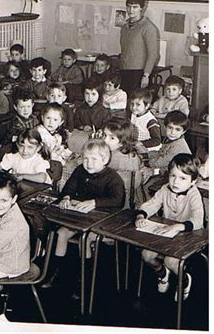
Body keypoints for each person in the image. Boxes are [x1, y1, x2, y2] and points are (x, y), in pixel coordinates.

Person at [42, 139, 124, 289]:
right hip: (80, 217)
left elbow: (117, 200)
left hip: (102, 221)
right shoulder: (80, 170)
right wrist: (66, 197)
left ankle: (84, 279)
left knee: (84, 240)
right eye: (85, 158)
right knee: (61, 233)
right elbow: (69, 187)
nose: (88, 163)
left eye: (94, 159)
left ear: (105, 160)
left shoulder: (113, 178)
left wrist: (94, 202)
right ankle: (55, 272)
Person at [135, 154, 204, 302]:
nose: (175, 182)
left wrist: (178, 227)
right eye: (173, 176)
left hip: (188, 236)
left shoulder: (194, 194)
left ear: (193, 181)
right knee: (146, 256)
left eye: (182, 178)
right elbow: (152, 204)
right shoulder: (165, 189)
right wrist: (142, 214)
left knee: (170, 261)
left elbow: (198, 220)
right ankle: (162, 274)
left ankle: (184, 280)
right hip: (165, 234)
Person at [141, 111, 192, 202]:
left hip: (179, 176)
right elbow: (160, 153)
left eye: (177, 129)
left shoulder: (178, 145)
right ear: (165, 127)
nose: (172, 132)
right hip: (170, 171)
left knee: (147, 187)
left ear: (183, 131)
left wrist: (145, 162)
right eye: (170, 128)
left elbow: (160, 162)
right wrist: (146, 155)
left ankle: (153, 210)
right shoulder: (169, 140)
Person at [120, 0, 160, 93]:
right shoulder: (124, 27)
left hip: (140, 73)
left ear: (141, 8)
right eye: (128, 6)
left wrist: (146, 75)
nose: (131, 10)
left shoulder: (148, 28)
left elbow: (153, 54)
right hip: (124, 71)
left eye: (135, 7)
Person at [129, 88, 162, 152]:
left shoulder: (150, 121)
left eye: (138, 104)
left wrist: (141, 143)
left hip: (149, 149)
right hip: (136, 144)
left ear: (147, 106)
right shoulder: (134, 114)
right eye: (132, 104)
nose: (133, 107)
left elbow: (157, 141)